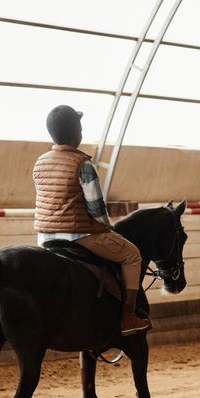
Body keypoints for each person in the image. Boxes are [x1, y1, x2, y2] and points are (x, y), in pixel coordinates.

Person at [33, 104, 151, 336]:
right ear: (77, 133)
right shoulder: (84, 165)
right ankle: (128, 316)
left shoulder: (40, 163)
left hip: (44, 238)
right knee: (132, 255)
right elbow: (96, 209)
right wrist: (108, 228)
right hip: (80, 237)